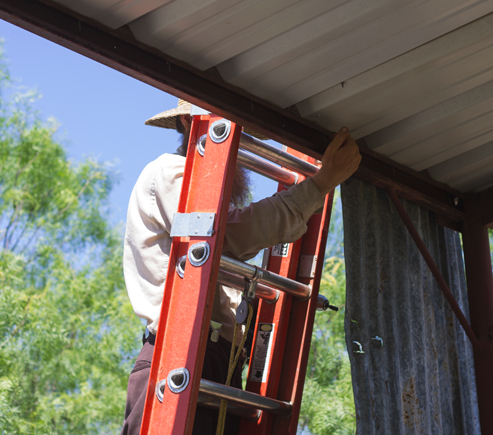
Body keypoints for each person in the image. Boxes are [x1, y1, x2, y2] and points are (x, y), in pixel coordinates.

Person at [121, 100, 362, 435]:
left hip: (220, 362)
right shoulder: (169, 172)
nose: (241, 142)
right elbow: (224, 235)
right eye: (233, 131)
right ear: (193, 125)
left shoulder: (198, 191)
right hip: (178, 356)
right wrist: (319, 185)